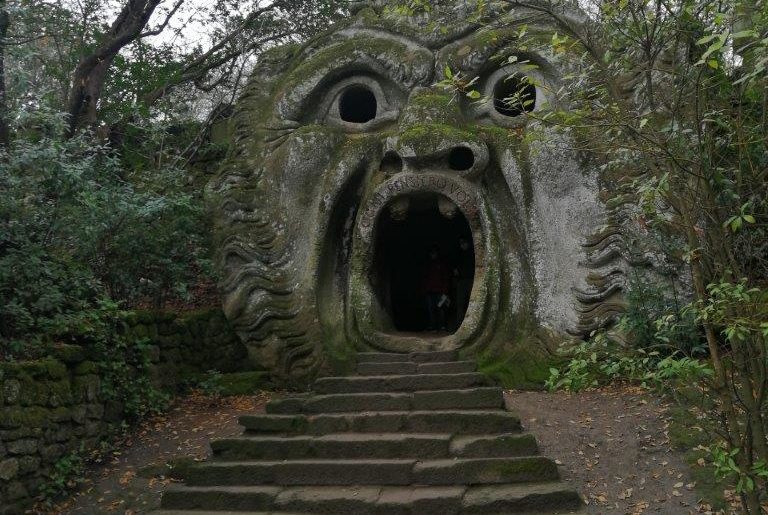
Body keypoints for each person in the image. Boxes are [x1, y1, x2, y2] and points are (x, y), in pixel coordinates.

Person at [422, 244, 450, 331]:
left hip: (440, 291)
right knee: (431, 309)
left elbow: (446, 278)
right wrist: (425, 290)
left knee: (441, 308)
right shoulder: (427, 265)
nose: (433, 255)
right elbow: (425, 278)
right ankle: (433, 326)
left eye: (434, 253)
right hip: (430, 291)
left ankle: (442, 326)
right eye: (431, 253)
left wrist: (445, 291)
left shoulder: (441, 264)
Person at [453, 236, 474, 329]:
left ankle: (470, 325)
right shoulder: (459, 255)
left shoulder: (473, 254)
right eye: (461, 244)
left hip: (471, 280)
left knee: (470, 302)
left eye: (464, 243)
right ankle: (459, 325)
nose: (462, 245)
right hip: (461, 281)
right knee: (460, 303)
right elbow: (455, 269)